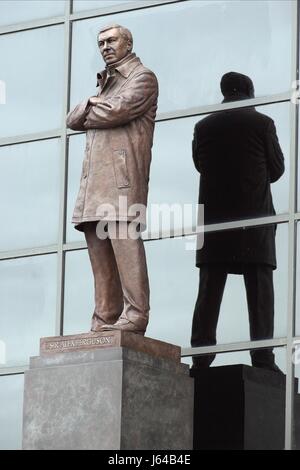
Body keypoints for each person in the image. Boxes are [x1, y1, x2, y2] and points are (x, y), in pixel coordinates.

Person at [66, 24, 158, 335]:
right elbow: (71, 120)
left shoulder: (142, 78)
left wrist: (89, 103)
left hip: (121, 184)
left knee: (125, 247)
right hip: (94, 186)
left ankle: (136, 314)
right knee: (99, 252)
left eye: (111, 40)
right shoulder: (106, 85)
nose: (105, 46)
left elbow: (116, 111)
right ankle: (105, 316)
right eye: (101, 42)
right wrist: (94, 103)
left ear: (128, 43)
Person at [191, 71, 284, 372]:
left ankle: (201, 359)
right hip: (253, 221)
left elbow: (200, 165)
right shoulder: (262, 123)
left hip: (215, 223)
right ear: (249, 91)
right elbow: (278, 168)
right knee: (260, 291)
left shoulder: (203, 127)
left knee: (209, 292)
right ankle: (263, 357)